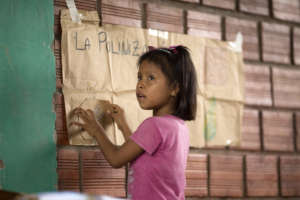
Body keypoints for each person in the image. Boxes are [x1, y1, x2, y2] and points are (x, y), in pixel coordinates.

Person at [70, 45, 197, 200]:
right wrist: (123, 126)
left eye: (151, 78)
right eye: (139, 77)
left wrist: (96, 130)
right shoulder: (178, 126)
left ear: (174, 88)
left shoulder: (154, 125)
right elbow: (138, 151)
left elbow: (117, 158)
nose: (141, 84)